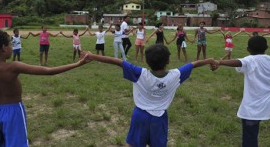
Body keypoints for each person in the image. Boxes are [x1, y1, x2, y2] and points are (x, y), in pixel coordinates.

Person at [82, 44, 217, 146]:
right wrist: (210, 59)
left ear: (147, 61)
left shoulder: (140, 73)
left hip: (140, 116)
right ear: (168, 61)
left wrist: (93, 56)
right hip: (160, 118)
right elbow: (193, 64)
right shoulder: (176, 75)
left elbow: (117, 62)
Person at [0, 30, 89, 147]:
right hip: (13, 112)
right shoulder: (13, 66)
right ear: (3, 48)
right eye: (10, 44)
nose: (12, 46)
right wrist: (78, 64)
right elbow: (49, 71)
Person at [213, 36, 270, 147]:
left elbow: (238, 62)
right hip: (266, 106)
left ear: (248, 49)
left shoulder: (249, 60)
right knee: (252, 134)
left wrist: (219, 62)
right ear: (267, 47)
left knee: (249, 138)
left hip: (251, 109)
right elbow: (238, 62)